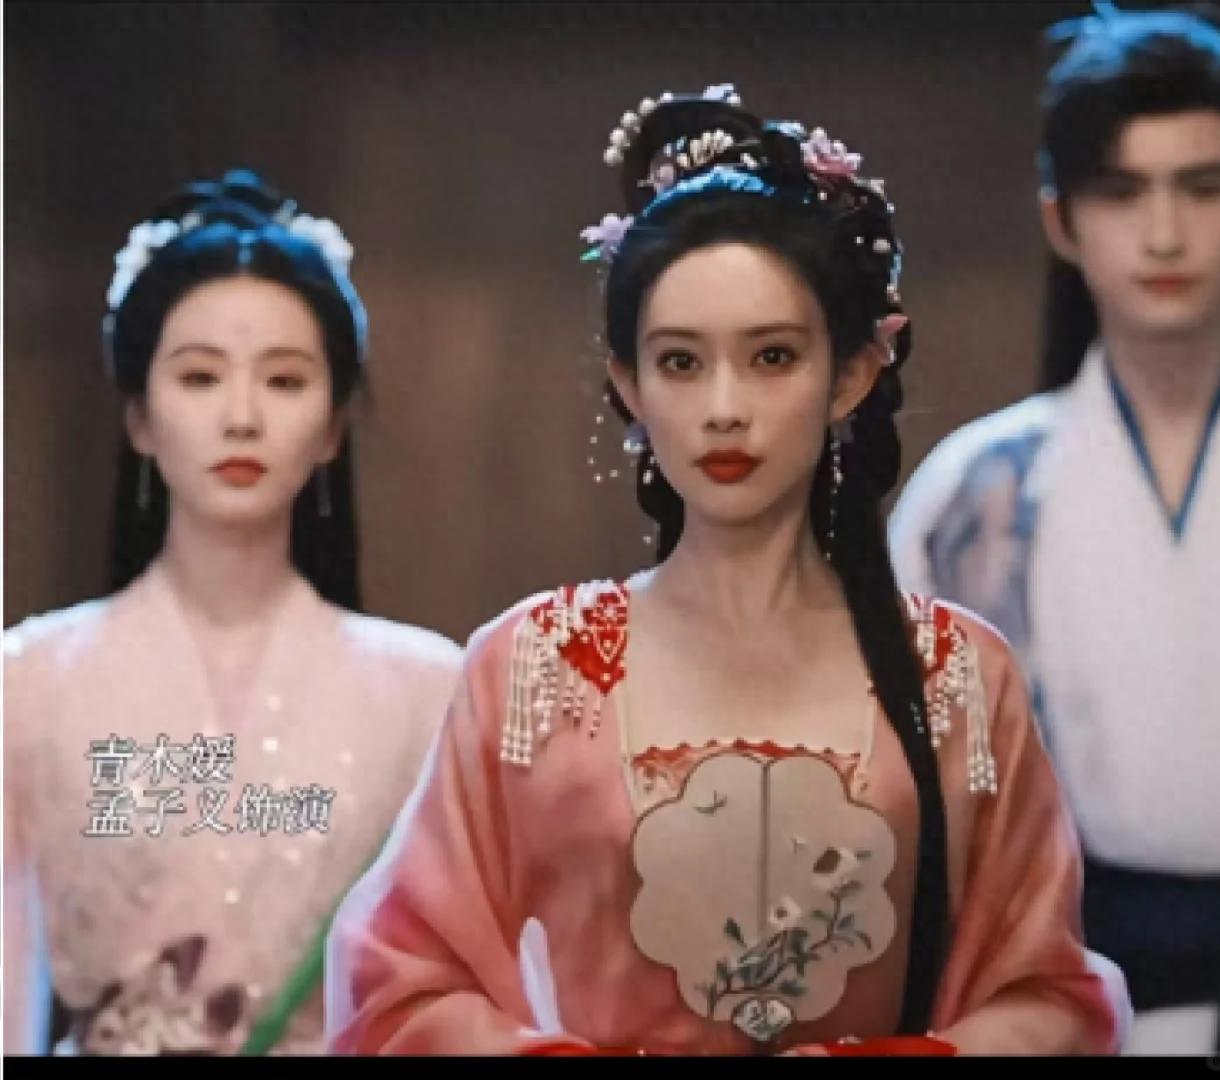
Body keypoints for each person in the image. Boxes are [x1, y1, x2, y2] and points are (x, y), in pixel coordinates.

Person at [325, 87, 1126, 1056]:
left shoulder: (956, 674)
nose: (723, 408)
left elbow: (1047, 997)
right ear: (627, 383)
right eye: (679, 363)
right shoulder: (534, 665)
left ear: (851, 374)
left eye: (772, 357)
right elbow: (400, 985)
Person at [2, 170, 463, 1055]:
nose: (242, 417)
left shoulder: (427, 690)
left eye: (285, 381)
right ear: (139, 417)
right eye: (200, 377)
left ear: (333, 427)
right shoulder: (27, 681)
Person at [888, 4, 1220, 1055]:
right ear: (1060, 219)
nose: (1164, 234)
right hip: (1066, 978)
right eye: (1120, 191)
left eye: (1203, 186)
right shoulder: (973, 494)